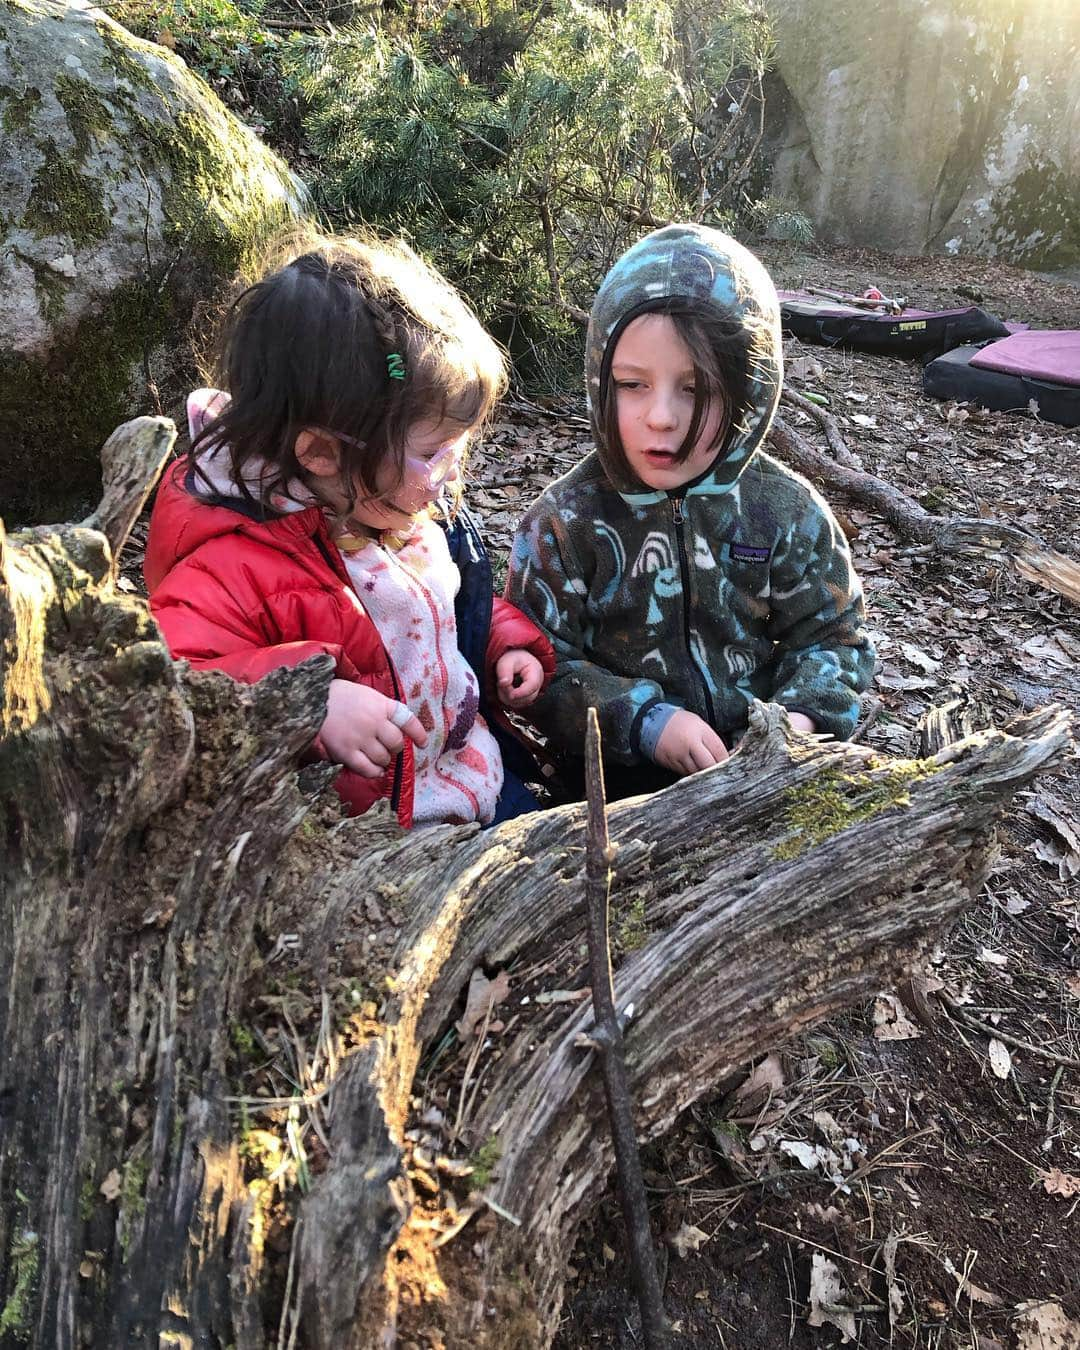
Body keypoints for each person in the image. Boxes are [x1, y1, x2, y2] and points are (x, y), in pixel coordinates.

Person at [145, 229, 554, 828]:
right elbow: (174, 683)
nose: (452, 474)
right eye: (433, 453)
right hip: (379, 833)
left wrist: (502, 644)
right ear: (320, 453)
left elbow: (432, 608)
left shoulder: (386, 509)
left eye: (459, 449)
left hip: (472, 774)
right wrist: (310, 703)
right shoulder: (234, 564)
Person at [506, 223, 875, 798]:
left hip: (760, 775)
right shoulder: (564, 521)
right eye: (631, 384)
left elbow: (835, 637)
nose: (660, 416)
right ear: (600, 381)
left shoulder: (786, 511)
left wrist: (793, 729)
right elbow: (537, 666)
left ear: (749, 391)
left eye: (696, 388)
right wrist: (646, 722)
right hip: (608, 790)